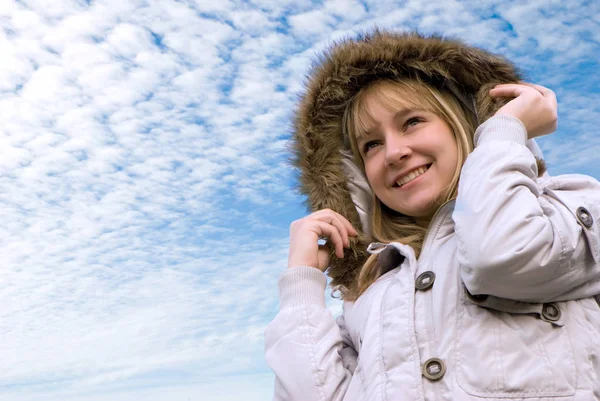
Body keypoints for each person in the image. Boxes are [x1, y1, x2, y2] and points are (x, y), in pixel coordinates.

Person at [265, 30, 600, 400]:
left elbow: (504, 256)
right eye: (371, 145)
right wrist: (301, 283)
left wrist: (506, 130)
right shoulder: (371, 289)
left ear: (466, 125)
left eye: (412, 122)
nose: (393, 153)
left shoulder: (564, 207)